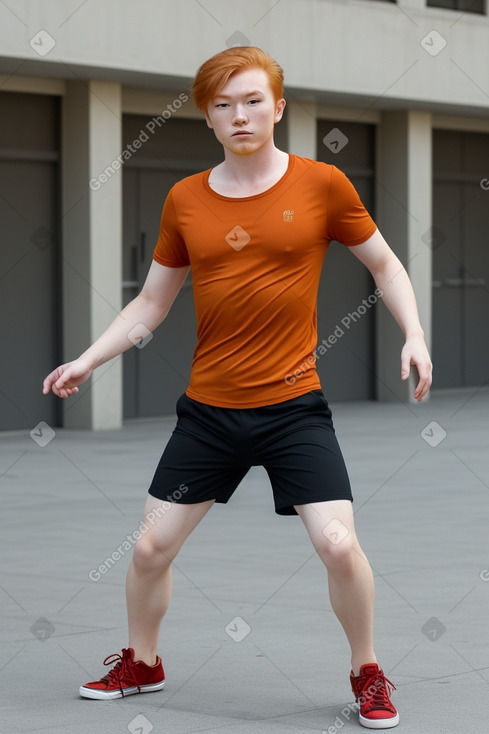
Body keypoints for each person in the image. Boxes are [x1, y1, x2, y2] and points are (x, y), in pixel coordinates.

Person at [43, 47, 432, 729]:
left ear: (277, 107)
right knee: (147, 549)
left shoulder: (322, 185)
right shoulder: (185, 199)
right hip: (209, 415)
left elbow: (385, 265)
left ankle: (366, 671)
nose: (238, 115)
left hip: (293, 410)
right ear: (207, 119)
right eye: (222, 105)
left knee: (339, 544)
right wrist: (89, 359)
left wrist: (414, 334)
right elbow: (150, 305)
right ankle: (144, 661)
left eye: (252, 100)